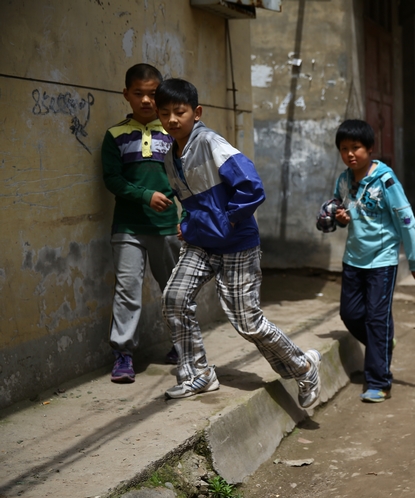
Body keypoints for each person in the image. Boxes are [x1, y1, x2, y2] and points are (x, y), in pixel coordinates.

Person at [154, 78, 321, 406]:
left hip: (238, 244)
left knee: (247, 321)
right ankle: (199, 374)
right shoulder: (169, 156)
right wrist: (189, 224)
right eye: (165, 113)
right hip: (201, 244)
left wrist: (224, 220)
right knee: (174, 297)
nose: (172, 119)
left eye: (180, 112)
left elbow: (252, 187)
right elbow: (192, 203)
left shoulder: (210, 143)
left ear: (196, 113)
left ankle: (303, 367)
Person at [330, 119, 415, 403]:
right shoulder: (344, 180)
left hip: (382, 262)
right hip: (353, 260)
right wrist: (340, 217)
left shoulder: (386, 179)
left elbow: (405, 219)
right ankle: (382, 342)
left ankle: (378, 381)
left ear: (370, 148)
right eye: (344, 148)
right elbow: (337, 208)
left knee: (376, 318)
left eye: (356, 147)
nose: (350, 154)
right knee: (350, 314)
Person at [102, 63, 180, 384]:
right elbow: (113, 180)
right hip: (128, 227)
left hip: (167, 227)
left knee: (174, 289)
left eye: (152, 94)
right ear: (126, 95)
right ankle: (123, 355)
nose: (146, 100)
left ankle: (182, 344)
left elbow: (189, 182)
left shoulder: (175, 134)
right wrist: (146, 194)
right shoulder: (115, 135)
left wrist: (185, 217)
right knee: (127, 291)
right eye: (138, 94)